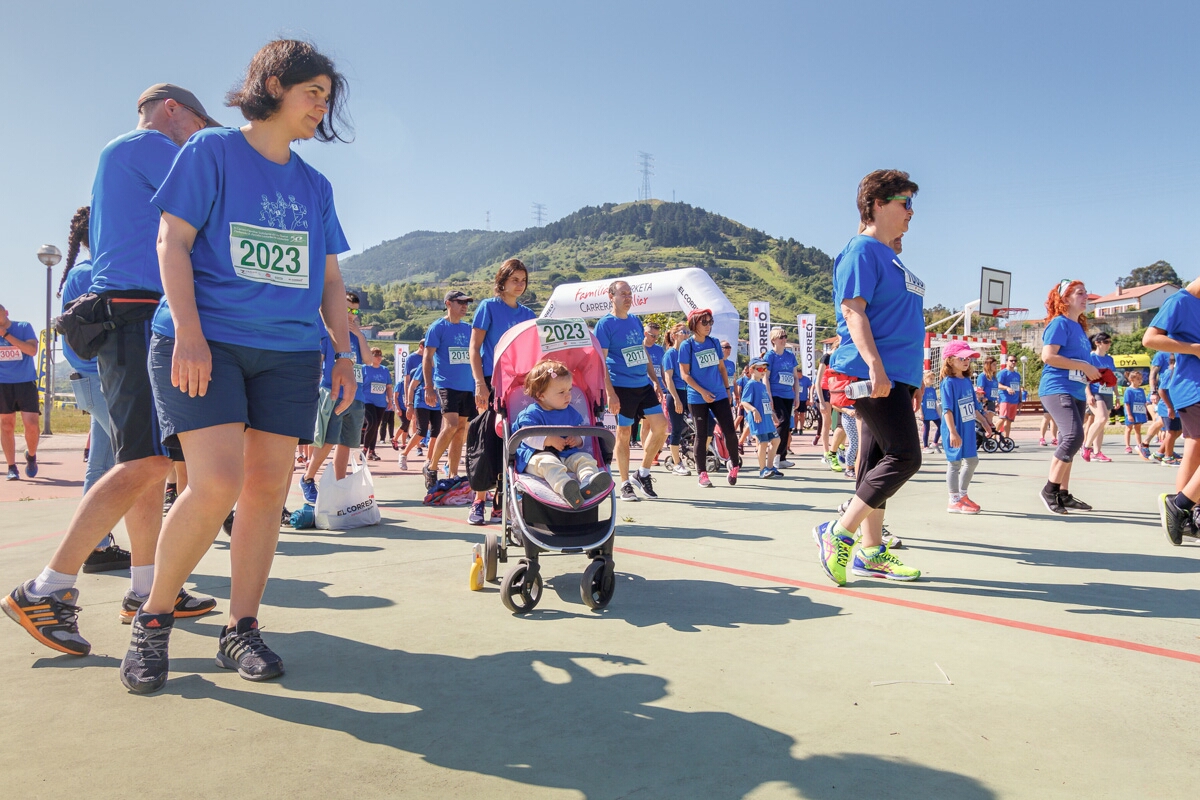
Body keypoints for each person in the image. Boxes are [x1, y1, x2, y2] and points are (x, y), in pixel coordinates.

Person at [117, 40, 354, 694]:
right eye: (314, 92)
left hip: (287, 351)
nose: (320, 107)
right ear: (274, 85)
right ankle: (154, 616)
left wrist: (341, 349)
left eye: (327, 99)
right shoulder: (211, 152)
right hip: (205, 342)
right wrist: (189, 332)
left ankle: (241, 627)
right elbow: (173, 239)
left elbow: (330, 278)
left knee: (267, 491)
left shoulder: (314, 185)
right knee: (215, 481)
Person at [2, 83, 218, 658]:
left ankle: (146, 589)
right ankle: (44, 588)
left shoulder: (131, 156)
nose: (202, 136)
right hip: (136, 313)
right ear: (171, 109)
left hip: (143, 313)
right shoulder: (145, 145)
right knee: (147, 461)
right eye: (200, 123)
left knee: (147, 461)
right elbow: (215, 194)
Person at [813, 169, 924, 585]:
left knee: (875, 463)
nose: (911, 212)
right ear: (878, 203)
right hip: (873, 373)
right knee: (905, 457)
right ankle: (838, 531)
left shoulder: (890, 256)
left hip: (899, 374)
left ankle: (872, 551)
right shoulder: (861, 250)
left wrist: (917, 377)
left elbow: (902, 320)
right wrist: (876, 365)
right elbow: (853, 311)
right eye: (905, 202)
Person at [56, 207, 131, 571]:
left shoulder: (81, 273)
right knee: (136, 462)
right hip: (100, 379)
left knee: (101, 465)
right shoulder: (92, 273)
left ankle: (96, 546)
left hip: (91, 380)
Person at [468, 259, 536, 524]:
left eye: (523, 280)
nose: (519, 285)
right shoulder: (488, 308)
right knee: (487, 443)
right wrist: (479, 383)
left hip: (519, 387)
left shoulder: (529, 315)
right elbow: (475, 348)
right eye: (514, 280)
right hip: (491, 383)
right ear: (502, 281)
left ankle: (501, 502)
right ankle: (477, 502)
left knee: (512, 443)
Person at [595, 280, 667, 501]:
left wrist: (655, 380)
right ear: (611, 296)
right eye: (622, 293)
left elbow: (642, 352)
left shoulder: (635, 321)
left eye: (630, 293)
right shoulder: (605, 324)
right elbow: (601, 361)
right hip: (621, 386)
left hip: (642, 384)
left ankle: (642, 472)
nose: (627, 297)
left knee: (662, 427)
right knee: (624, 434)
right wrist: (610, 393)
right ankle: (625, 483)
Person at [1036, 280, 1101, 515]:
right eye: (1079, 293)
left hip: (1075, 389)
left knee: (1069, 438)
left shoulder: (1080, 329)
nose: (1086, 297)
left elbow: (1080, 364)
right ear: (1064, 299)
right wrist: (1083, 365)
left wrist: (1094, 374)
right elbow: (1048, 356)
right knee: (1074, 435)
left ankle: (1063, 493)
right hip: (1057, 387)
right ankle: (1050, 489)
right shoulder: (1059, 323)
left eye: (1086, 293)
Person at [1144, 276, 1200, 543]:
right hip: (1193, 387)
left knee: (1193, 450)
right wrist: (1194, 349)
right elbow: (1150, 339)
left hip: (1193, 389)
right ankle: (1181, 505)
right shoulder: (1179, 301)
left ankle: (1184, 516)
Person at [511, 360, 612, 507]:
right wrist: (547, 439)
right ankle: (566, 487)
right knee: (548, 463)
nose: (568, 396)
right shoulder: (531, 413)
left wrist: (577, 439)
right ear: (541, 395)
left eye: (570, 390)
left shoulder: (570, 411)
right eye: (561, 392)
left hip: (567, 455)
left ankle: (587, 483)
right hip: (535, 457)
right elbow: (527, 437)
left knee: (585, 458)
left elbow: (580, 429)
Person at [298, 295, 369, 503]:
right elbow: (319, 359)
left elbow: (367, 359)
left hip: (356, 395)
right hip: (333, 391)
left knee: (347, 442)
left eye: (355, 311)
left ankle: (340, 484)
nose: (350, 315)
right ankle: (308, 478)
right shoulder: (330, 335)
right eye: (347, 309)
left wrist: (361, 336)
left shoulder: (356, 336)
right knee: (329, 440)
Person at [678, 308, 742, 487]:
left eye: (710, 322)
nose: (708, 326)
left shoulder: (714, 343)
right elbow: (685, 374)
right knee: (702, 434)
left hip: (719, 394)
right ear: (694, 324)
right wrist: (702, 392)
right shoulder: (687, 346)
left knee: (729, 430)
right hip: (697, 397)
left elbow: (722, 368)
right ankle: (702, 473)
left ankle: (734, 465)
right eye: (704, 322)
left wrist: (728, 390)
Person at [422, 290, 475, 490]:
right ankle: (432, 466)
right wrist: (429, 386)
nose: (464, 306)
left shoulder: (469, 329)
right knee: (451, 425)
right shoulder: (438, 327)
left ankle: (453, 473)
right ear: (448, 303)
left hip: (467, 387)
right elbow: (427, 358)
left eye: (466, 303)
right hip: (446, 384)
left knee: (461, 430)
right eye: (460, 302)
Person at [941, 342, 994, 514]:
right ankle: (953, 500)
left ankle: (962, 495)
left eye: (968, 358)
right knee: (955, 463)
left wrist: (985, 422)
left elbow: (973, 406)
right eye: (962, 358)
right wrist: (953, 432)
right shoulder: (948, 383)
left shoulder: (966, 381)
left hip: (968, 427)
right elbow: (946, 410)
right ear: (950, 360)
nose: (966, 361)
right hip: (955, 428)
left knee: (972, 460)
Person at [0, 301, 40, 481]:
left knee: (31, 425)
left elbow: (31, 350)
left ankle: (31, 456)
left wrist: (6, 335)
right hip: (3, 384)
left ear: (6, 312)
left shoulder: (23, 327)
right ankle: (11, 467)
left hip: (25, 382)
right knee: (6, 425)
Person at [740, 359, 781, 478]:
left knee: (776, 440)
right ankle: (762, 470)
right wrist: (754, 410)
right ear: (752, 370)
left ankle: (769, 466)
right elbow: (744, 402)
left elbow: (766, 402)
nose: (763, 371)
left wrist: (772, 413)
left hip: (767, 419)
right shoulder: (750, 384)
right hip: (758, 420)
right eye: (760, 369)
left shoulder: (762, 385)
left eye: (765, 369)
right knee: (763, 443)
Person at [764, 327, 799, 469]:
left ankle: (782, 456)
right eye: (781, 337)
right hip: (776, 393)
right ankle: (775, 455)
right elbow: (765, 377)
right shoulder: (770, 356)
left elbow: (795, 377)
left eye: (785, 337)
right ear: (774, 340)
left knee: (788, 425)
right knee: (782, 422)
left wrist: (796, 395)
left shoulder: (790, 355)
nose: (784, 339)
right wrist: (769, 396)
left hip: (788, 395)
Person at [660, 322, 691, 476]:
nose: (686, 334)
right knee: (677, 429)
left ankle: (696, 456)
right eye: (682, 332)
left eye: (687, 332)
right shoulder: (670, 354)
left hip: (689, 393)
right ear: (674, 336)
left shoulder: (687, 353)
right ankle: (677, 463)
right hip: (676, 394)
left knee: (703, 424)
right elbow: (668, 379)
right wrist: (677, 399)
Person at [1082, 333, 1116, 462]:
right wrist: (1088, 394)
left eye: (1110, 342)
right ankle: (1086, 446)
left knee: (1101, 423)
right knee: (1101, 418)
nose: (1109, 344)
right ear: (1098, 343)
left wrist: (1117, 396)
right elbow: (1084, 377)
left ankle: (1097, 452)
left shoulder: (1110, 359)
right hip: (1095, 391)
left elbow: (1113, 378)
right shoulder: (1090, 357)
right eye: (1106, 342)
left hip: (1107, 392)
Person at [401, 363, 440, 471]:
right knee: (422, 431)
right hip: (422, 403)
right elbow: (412, 386)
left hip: (437, 405)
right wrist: (409, 405)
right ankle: (404, 454)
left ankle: (428, 460)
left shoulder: (442, 366)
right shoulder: (424, 367)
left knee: (435, 433)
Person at [359, 348, 393, 461]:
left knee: (376, 426)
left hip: (380, 402)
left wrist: (390, 400)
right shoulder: (364, 368)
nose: (379, 357)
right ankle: (364, 449)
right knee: (371, 422)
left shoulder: (385, 370)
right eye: (375, 355)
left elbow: (388, 386)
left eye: (380, 355)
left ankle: (372, 451)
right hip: (367, 400)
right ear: (370, 356)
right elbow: (358, 384)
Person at [1151, 358, 1181, 465]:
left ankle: (1159, 453)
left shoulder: (1179, 372)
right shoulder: (1170, 372)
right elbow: (1161, 390)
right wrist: (1169, 407)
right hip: (1167, 407)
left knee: (1178, 431)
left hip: (1177, 407)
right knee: (1171, 432)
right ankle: (1168, 457)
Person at [1122, 370, 1150, 458]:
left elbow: (1144, 402)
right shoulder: (1128, 391)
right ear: (1132, 379)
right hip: (1131, 411)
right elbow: (1126, 403)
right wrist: (1129, 414)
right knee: (1129, 428)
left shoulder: (1141, 390)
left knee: (1138, 429)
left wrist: (1145, 413)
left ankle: (1139, 445)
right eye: (1138, 379)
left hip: (1139, 412)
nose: (1140, 381)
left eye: (1141, 379)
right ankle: (1127, 446)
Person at [995, 354, 1022, 439]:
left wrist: (1020, 400)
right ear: (1007, 362)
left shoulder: (1017, 375)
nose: (1013, 362)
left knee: (1009, 421)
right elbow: (997, 385)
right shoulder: (1002, 373)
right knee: (1002, 418)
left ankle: (1006, 439)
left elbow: (1018, 387)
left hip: (1014, 400)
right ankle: (992, 436)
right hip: (1005, 399)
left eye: (1015, 361)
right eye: (1011, 360)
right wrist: (1007, 388)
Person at [916, 370, 942, 452]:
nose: (932, 380)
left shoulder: (933, 390)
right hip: (925, 413)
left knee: (941, 426)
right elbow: (919, 402)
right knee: (926, 429)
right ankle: (925, 447)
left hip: (933, 413)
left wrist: (939, 414)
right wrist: (921, 413)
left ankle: (934, 443)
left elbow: (935, 402)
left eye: (933, 378)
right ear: (925, 378)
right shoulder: (922, 389)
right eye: (930, 378)